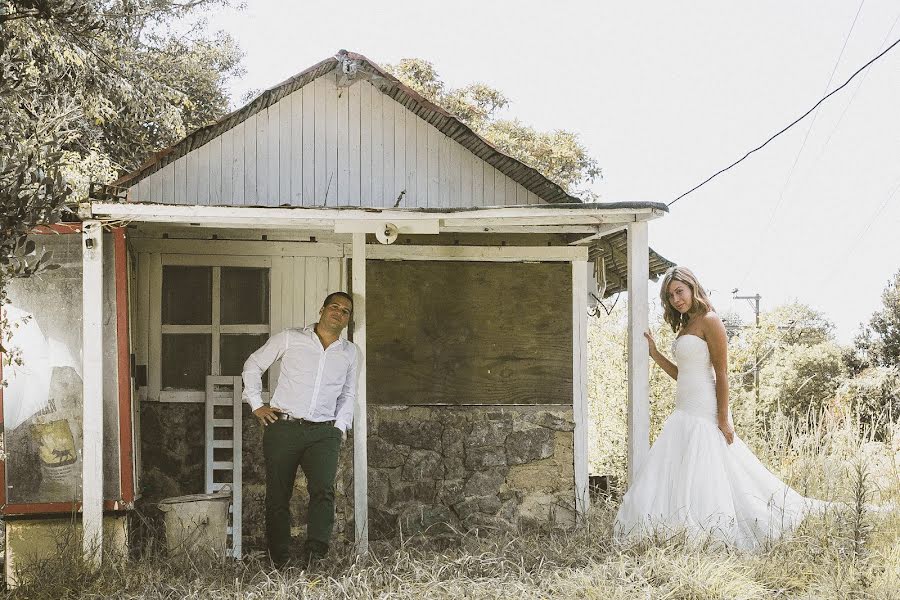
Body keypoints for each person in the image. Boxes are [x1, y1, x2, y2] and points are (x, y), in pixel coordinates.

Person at [613, 266, 825, 551]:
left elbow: (722, 374)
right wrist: (655, 354)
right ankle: (673, 531)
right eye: (671, 295)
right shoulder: (685, 326)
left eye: (680, 291)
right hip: (683, 410)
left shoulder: (710, 320)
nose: (676, 299)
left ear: (692, 288)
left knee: (716, 471)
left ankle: (721, 528)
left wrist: (723, 419)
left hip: (705, 409)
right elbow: (682, 375)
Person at [242, 291, 359, 568]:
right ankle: (279, 559)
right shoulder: (290, 338)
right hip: (284, 428)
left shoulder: (350, 352)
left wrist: (339, 429)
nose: (339, 313)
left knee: (323, 492)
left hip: (324, 433)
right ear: (321, 309)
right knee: (278, 494)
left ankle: (315, 556)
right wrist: (257, 404)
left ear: (347, 319)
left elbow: (348, 393)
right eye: (334, 307)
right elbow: (253, 365)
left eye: (345, 311)